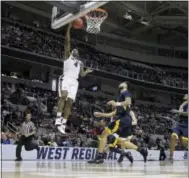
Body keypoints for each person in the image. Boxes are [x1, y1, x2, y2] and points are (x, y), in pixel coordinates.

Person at [88, 82, 147, 164]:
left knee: (105, 135)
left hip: (123, 121)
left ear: (126, 86)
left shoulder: (126, 92)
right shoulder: (121, 98)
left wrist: (116, 103)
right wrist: (101, 114)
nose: (121, 83)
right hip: (125, 121)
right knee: (121, 142)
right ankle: (141, 150)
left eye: (123, 82)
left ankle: (100, 157)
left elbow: (128, 101)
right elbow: (113, 114)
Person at [55, 23, 93, 134]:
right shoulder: (67, 56)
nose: (75, 50)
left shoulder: (80, 62)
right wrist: (68, 28)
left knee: (70, 102)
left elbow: (81, 75)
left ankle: (63, 123)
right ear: (72, 52)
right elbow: (67, 42)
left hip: (74, 81)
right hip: (66, 78)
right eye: (74, 49)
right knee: (64, 96)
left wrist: (86, 71)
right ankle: (58, 118)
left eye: (77, 50)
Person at [169, 94, 188, 162]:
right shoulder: (182, 105)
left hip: (187, 125)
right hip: (180, 124)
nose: (184, 98)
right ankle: (171, 156)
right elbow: (180, 114)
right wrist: (176, 115)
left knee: (184, 143)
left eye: (186, 97)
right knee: (173, 137)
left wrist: (177, 111)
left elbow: (187, 113)